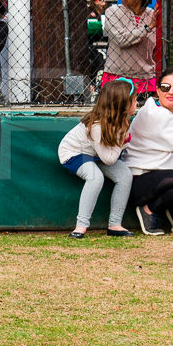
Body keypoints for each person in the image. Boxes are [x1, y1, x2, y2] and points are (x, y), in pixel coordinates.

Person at [58, 79, 135, 239]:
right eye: (133, 100)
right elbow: (109, 159)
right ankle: (81, 226)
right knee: (95, 177)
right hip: (74, 152)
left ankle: (115, 224)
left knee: (125, 175)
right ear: (122, 104)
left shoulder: (122, 121)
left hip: (96, 154)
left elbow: (108, 154)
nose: (136, 103)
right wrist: (123, 141)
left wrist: (121, 139)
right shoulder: (97, 126)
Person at [127, 69, 173, 234]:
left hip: (162, 179)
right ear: (157, 90)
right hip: (140, 182)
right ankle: (148, 210)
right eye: (165, 87)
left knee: (172, 193)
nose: (171, 92)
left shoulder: (167, 111)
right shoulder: (155, 115)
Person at [99, 0, 157, 94]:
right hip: (117, 77)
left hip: (146, 78)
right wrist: (148, 28)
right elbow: (122, 40)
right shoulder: (113, 12)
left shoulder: (152, 15)